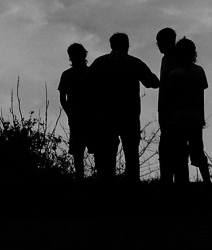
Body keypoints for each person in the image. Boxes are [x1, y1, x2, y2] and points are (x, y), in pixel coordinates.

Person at [88, 33, 159, 182]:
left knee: (107, 156)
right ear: (127, 45)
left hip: (106, 115)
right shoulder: (134, 63)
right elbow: (152, 81)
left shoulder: (100, 62)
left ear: (111, 45)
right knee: (131, 155)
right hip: (129, 115)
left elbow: (86, 86)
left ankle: (107, 189)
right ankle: (132, 189)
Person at [162, 38, 211, 183]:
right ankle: (207, 181)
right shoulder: (199, 71)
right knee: (198, 152)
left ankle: (182, 184)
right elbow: (202, 90)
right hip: (195, 117)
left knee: (180, 154)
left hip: (178, 118)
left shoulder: (174, 74)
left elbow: (169, 97)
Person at [155, 27, 184, 183]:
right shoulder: (166, 59)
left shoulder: (176, 59)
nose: (158, 45)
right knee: (167, 146)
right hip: (165, 108)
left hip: (174, 110)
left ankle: (175, 181)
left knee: (175, 147)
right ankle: (168, 179)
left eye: (160, 42)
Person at [59, 43, 92, 179]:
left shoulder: (89, 72)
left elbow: (62, 98)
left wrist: (70, 113)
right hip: (81, 117)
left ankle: (82, 180)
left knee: (82, 151)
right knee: (79, 151)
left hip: (89, 116)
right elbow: (62, 99)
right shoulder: (70, 74)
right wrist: (71, 114)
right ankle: (81, 180)